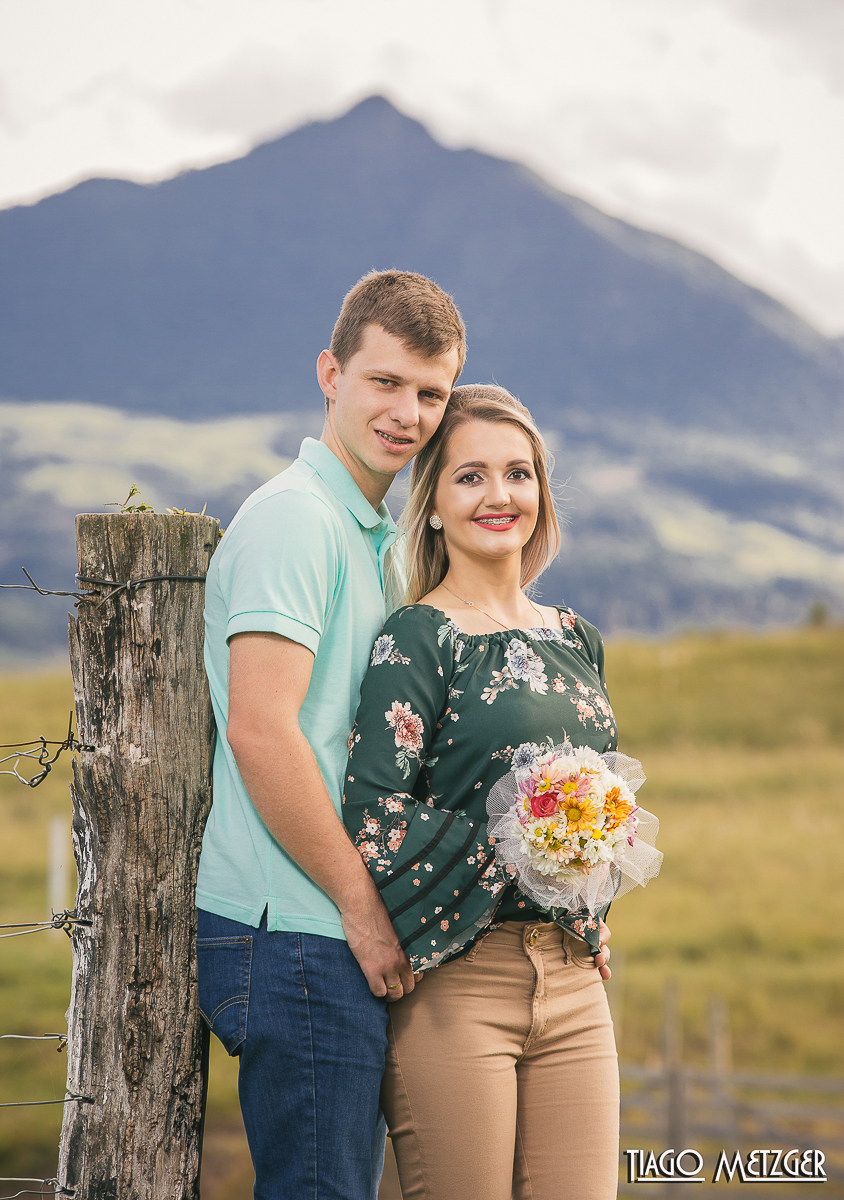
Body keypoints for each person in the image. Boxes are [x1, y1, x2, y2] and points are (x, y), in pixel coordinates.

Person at [195, 269, 466, 1200]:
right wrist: (362, 909)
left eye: (430, 393)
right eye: (385, 382)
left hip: (323, 927)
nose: (408, 412)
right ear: (330, 373)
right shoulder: (296, 523)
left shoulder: (372, 535)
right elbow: (265, 734)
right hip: (297, 932)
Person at [342, 384, 617, 1200]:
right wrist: (520, 851)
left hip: (573, 983)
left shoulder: (576, 638)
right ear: (430, 506)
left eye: (519, 474)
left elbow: (598, 807)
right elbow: (375, 813)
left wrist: (589, 889)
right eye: (470, 477)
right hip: (459, 981)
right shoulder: (418, 639)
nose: (500, 496)